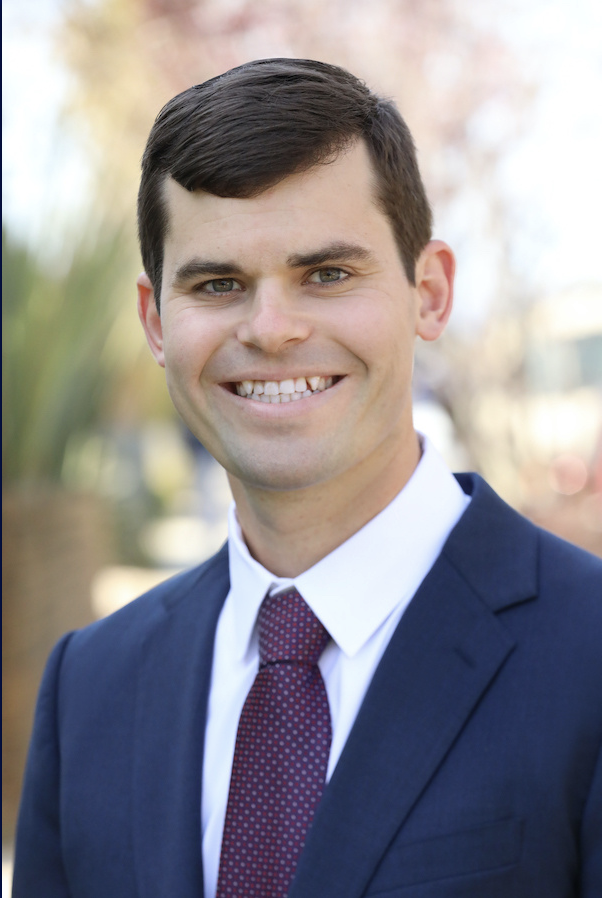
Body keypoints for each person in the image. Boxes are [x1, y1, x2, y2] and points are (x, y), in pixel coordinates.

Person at [13, 58, 602, 898]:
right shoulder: (89, 689)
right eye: (219, 285)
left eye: (326, 274)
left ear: (428, 292)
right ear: (155, 320)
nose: (271, 329)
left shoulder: (590, 655)